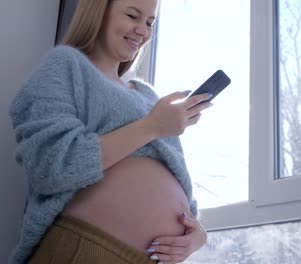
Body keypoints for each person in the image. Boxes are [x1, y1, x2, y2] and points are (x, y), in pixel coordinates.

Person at [8, 0, 210, 263]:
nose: (143, 31)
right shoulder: (66, 66)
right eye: (132, 16)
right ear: (98, 12)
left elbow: (182, 194)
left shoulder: (149, 98)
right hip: (86, 248)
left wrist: (198, 236)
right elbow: (52, 168)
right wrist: (152, 127)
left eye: (150, 23)